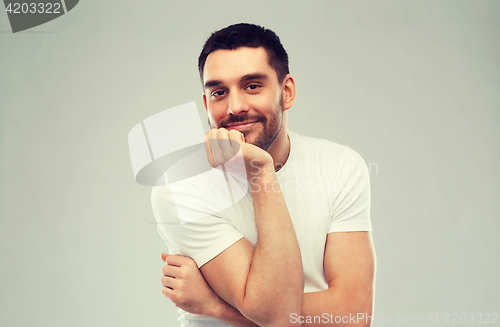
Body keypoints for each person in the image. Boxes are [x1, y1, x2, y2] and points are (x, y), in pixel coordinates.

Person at [151, 23, 375, 327]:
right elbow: (277, 314)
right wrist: (261, 172)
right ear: (206, 104)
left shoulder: (339, 165)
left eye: (252, 86)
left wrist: (215, 306)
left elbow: (354, 315)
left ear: (287, 92)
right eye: (219, 92)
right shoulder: (181, 188)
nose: (235, 107)